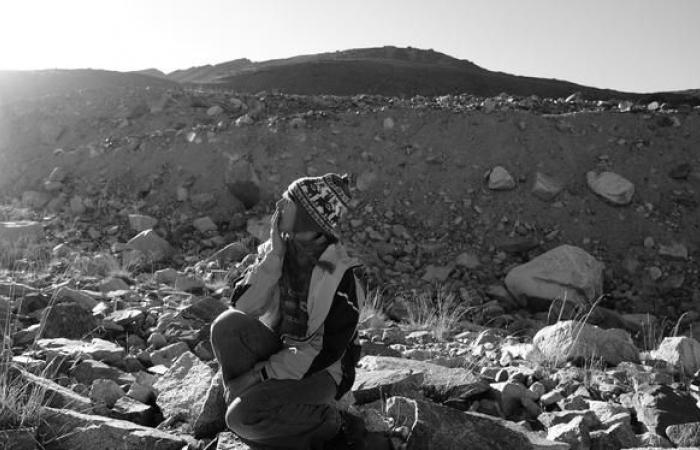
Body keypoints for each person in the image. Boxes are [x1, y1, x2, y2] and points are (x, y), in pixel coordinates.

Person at [210, 173, 368, 450]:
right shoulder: (278, 248)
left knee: (241, 419)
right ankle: (254, 411)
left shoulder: (342, 276)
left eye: (289, 202)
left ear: (308, 218)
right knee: (227, 325)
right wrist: (275, 258)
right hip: (280, 350)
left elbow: (323, 353)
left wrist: (258, 375)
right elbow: (244, 307)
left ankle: (329, 424)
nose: (279, 207)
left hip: (321, 371)